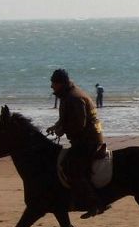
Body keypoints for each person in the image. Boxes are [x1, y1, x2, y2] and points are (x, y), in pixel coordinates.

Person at [46, 69, 108, 219]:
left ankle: (94, 204)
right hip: (84, 139)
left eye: (53, 83)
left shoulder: (74, 98)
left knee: (70, 167)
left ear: (60, 83)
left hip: (89, 142)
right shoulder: (70, 95)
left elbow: (79, 124)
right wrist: (56, 126)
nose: (51, 87)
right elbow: (68, 119)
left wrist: (61, 130)